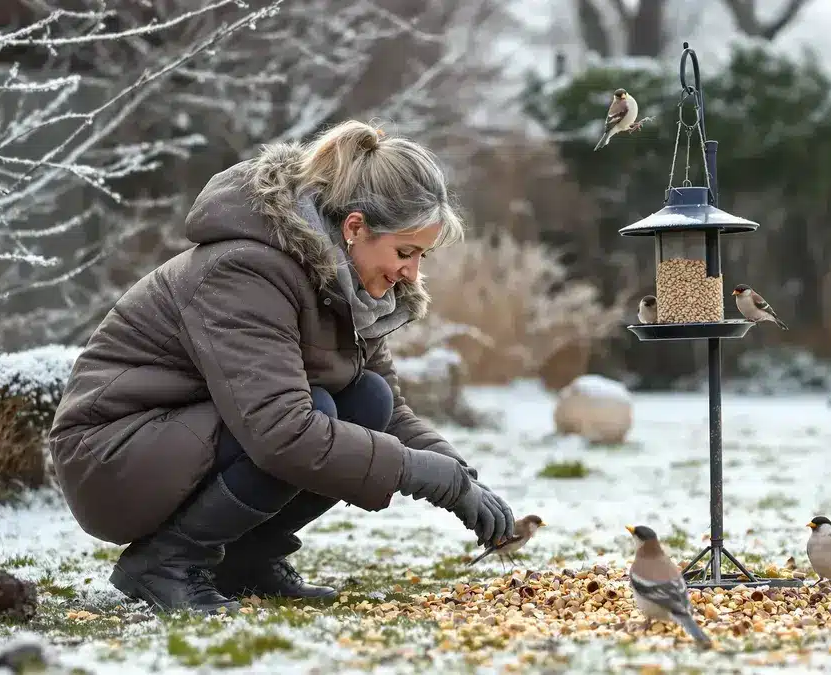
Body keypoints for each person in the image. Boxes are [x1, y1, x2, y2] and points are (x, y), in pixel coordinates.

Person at [47, 120, 516, 614]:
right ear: (354, 228)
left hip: (189, 437)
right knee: (309, 414)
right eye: (405, 252)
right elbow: (281, 431)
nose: (411, 273)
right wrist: (421, 473)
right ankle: (166, 563)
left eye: (421, 256)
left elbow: (389, 412)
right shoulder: (245, 269)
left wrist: (461, 477)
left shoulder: (344, 281)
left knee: (367, 398)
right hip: (111, 458)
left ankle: (245, 557)